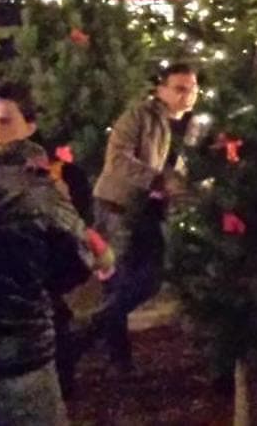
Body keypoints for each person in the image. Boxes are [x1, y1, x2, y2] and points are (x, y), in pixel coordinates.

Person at [0, 82, 104, 425]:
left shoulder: (45, 182)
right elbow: (78, 261)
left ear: (30, 125)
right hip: (21, 357)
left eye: (3, 121)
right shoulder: (40, 190)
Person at [77, 62, 196, 373]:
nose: (187, 95)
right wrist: (158, 180)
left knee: (137, 281)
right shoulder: (139, 116)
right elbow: (118, 160)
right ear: (161, 89)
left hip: (148, 211)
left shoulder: (190, 126)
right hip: (118, 206)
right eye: (179, 88)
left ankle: (101, 347)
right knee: (130, 280)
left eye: (192, 89)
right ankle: (100, 346)